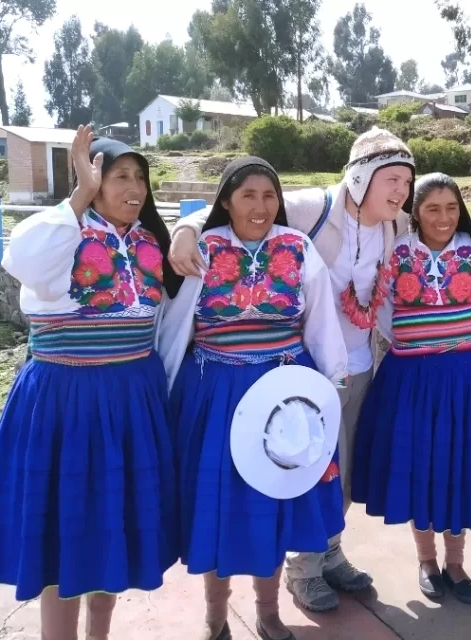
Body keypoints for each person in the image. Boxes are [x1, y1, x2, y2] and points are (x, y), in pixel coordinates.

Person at [167, 127, 414, 612]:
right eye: (392, 179)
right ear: (362, 178)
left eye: (407, 180)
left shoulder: (394, 225)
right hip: (277, 377)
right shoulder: (308, 210)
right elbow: (232, 205)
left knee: (328, 471)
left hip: (348, 366)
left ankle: (327, 553)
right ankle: (298, 576)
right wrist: (185, 229)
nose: (401, 191)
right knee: (268, 476)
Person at [0, 126, 182, 640]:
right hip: (65, 403)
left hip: (133, 401)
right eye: (118, 177)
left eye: (140, 177)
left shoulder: (149, 245)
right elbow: (20, 259)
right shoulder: (64, 231)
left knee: (111, 527)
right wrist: (80, 195)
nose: (133, 187)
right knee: (63, 536)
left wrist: (191, 230)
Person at [157, 156, 349, 640]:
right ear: (225, 201)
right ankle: (215, 618)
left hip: (285, 396)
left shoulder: (297, 247)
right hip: (215, 395)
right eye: (248, 195)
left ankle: (268, 613)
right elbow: (176, 324)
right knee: (217, 508)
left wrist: (330, 390)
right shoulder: (203, 249)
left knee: (275, 502)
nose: (261, 206)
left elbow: (322, 323)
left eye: (270, 196)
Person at [351, 173, 471, 605]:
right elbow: (383, 310)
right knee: (422, 467)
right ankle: (426, 561)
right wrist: (418, 344)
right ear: (415, 213)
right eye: (432, 209)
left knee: (459, 466)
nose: (443, 218)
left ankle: (456, 563)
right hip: (413, 378)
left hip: (467, 376)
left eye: (451, 208)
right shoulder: (396, 251)